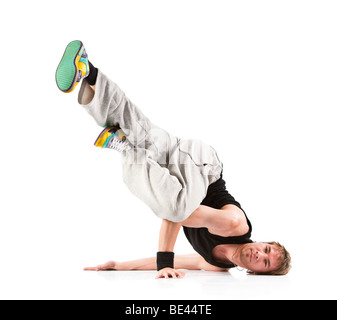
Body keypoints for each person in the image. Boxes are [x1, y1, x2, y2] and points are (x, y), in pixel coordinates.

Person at [56, 40, 291, 278]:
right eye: (266, 249)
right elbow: (178, 215)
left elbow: (183, 261)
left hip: (172, 170)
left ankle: (87, 70)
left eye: (265, 263)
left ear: (257, 273)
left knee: (137, 126)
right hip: (201, 165)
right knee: (174, 205)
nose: (259, 255)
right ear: (263, 242)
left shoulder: (218, 264)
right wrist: (164, 263)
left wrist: (118, 265)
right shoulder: (235, 225)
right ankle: (125, 146)